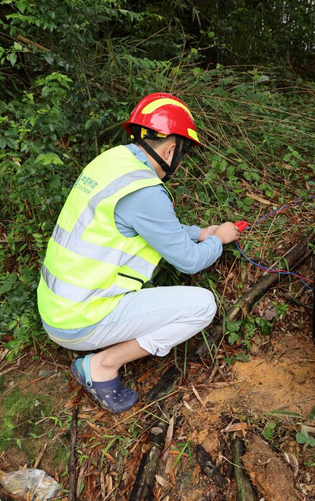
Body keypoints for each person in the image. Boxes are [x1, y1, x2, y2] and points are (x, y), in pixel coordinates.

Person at [36, 93, 239, 414]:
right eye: (182, 153)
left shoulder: (111, 163)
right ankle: (100, 366)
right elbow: (191, 260)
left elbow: (148, 224)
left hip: (56, 306)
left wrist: (199, 233)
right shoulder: (145, 191)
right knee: (203, 306)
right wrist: (219, 239)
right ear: (171, 148)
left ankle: (98, 352)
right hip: (80, 320)